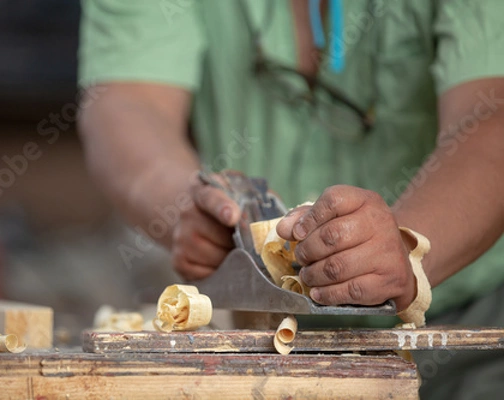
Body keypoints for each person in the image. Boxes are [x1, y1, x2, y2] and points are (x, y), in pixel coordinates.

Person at [77, 1, 504, 398]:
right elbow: (129, 100)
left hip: (464, 322)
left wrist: (408, 250)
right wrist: (177, 202)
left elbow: (491, 113)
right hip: (265, 336)